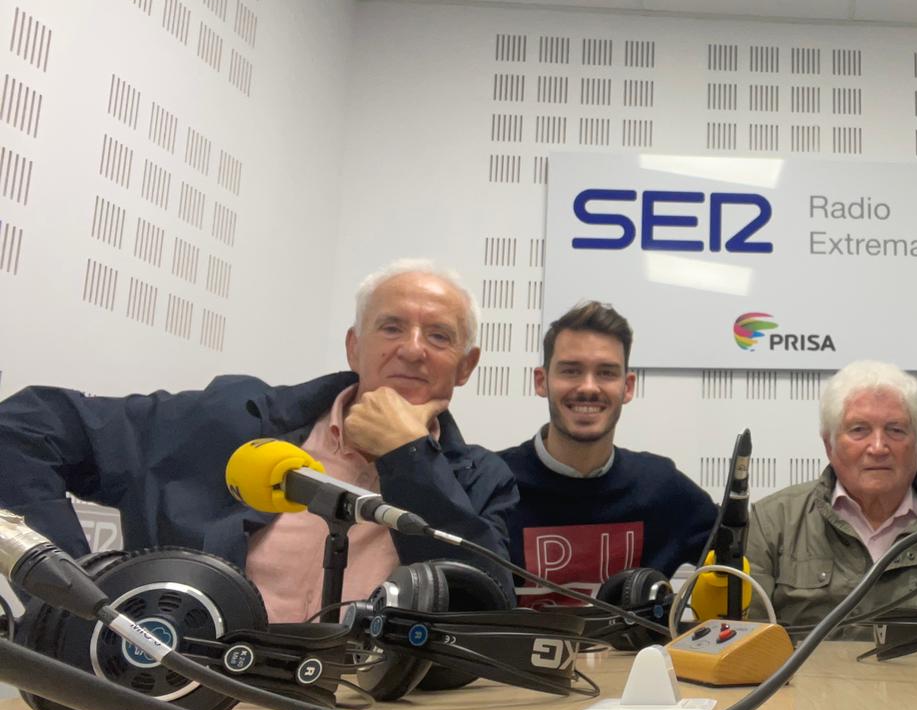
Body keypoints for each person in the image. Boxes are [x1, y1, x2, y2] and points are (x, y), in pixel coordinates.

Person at [0, 259, 517, 621]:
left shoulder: (481, 480)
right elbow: (22, 428)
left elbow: (489, 613)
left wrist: (409, 459)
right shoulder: (226, 421)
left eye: (440, 337)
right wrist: (69, 590)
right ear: (354, 347)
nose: (412, 350)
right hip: (193, 703)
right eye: (391, 327)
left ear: (466, 366)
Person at [747, 360, 917, 629]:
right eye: (859, 430)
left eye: (895, 430)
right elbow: (746, 645)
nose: (879, 447)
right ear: (829, 445)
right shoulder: (773, 523)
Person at [497, 301, 716, 605]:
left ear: (627, 387)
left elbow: (736, 554)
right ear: (541, 381)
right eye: (571, 371)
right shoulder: (491, 483)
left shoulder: (662, 487)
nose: (588, 387)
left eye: (606, 373)